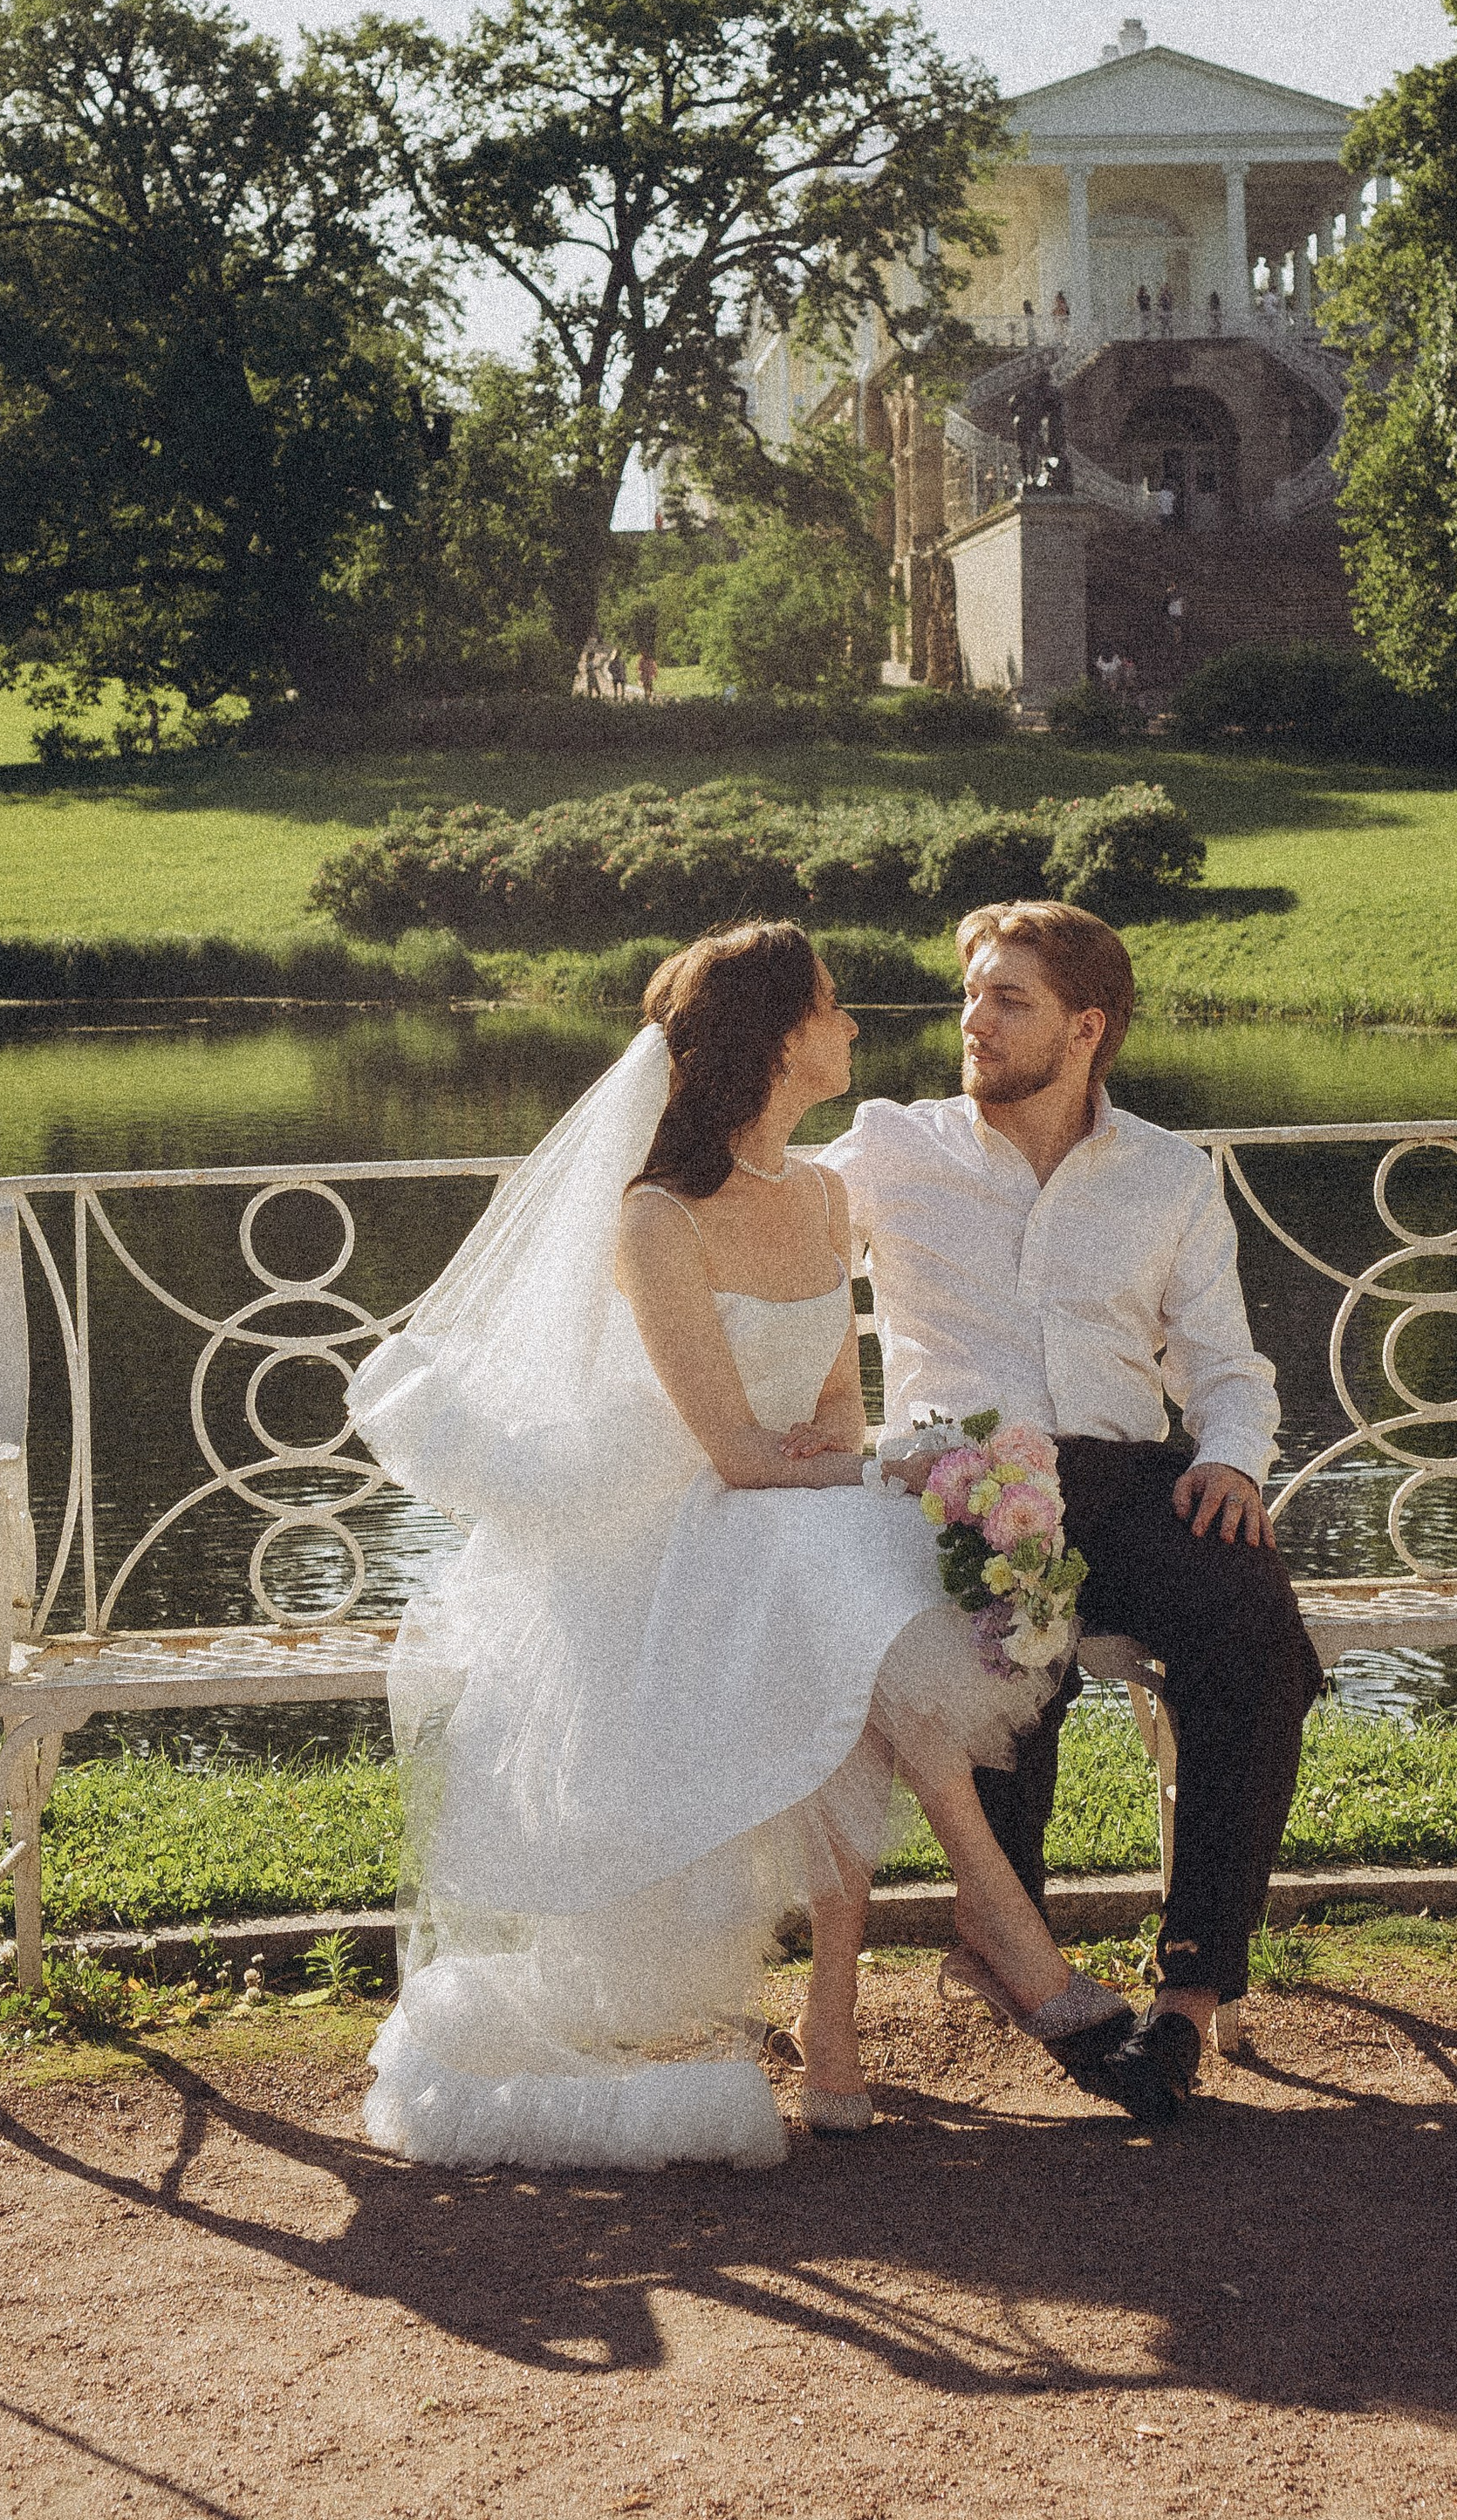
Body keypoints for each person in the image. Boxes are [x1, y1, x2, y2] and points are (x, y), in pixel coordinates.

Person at [345, 923, 1132, 2171]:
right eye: (829, 1007)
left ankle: (844, 2022)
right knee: (853, 1600)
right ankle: (1007, 1958)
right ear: (775, 1041)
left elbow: (833, 1415)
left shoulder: (825, 1195)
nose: (855, 1027)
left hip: (783, 1516)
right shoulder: (657, 1217)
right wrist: (846, 1470)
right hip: (658, 1536)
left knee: (857, 1594)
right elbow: (727, 1448)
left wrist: (853, 1463)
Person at [820, 901, 1324, 2124]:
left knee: (1258, 1640)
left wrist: (1237, 1463)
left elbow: (1226, 1366)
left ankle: (1191, 1996)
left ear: (1086, 1027)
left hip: (1128, 1477)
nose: (972, 1024)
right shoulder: (892, 1146)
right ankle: (1016, 1945)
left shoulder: (1168, 1174)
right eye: (970, 995)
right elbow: (762, 1238)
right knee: (999, 1636)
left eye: (1009, 1001)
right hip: (964, 1478)